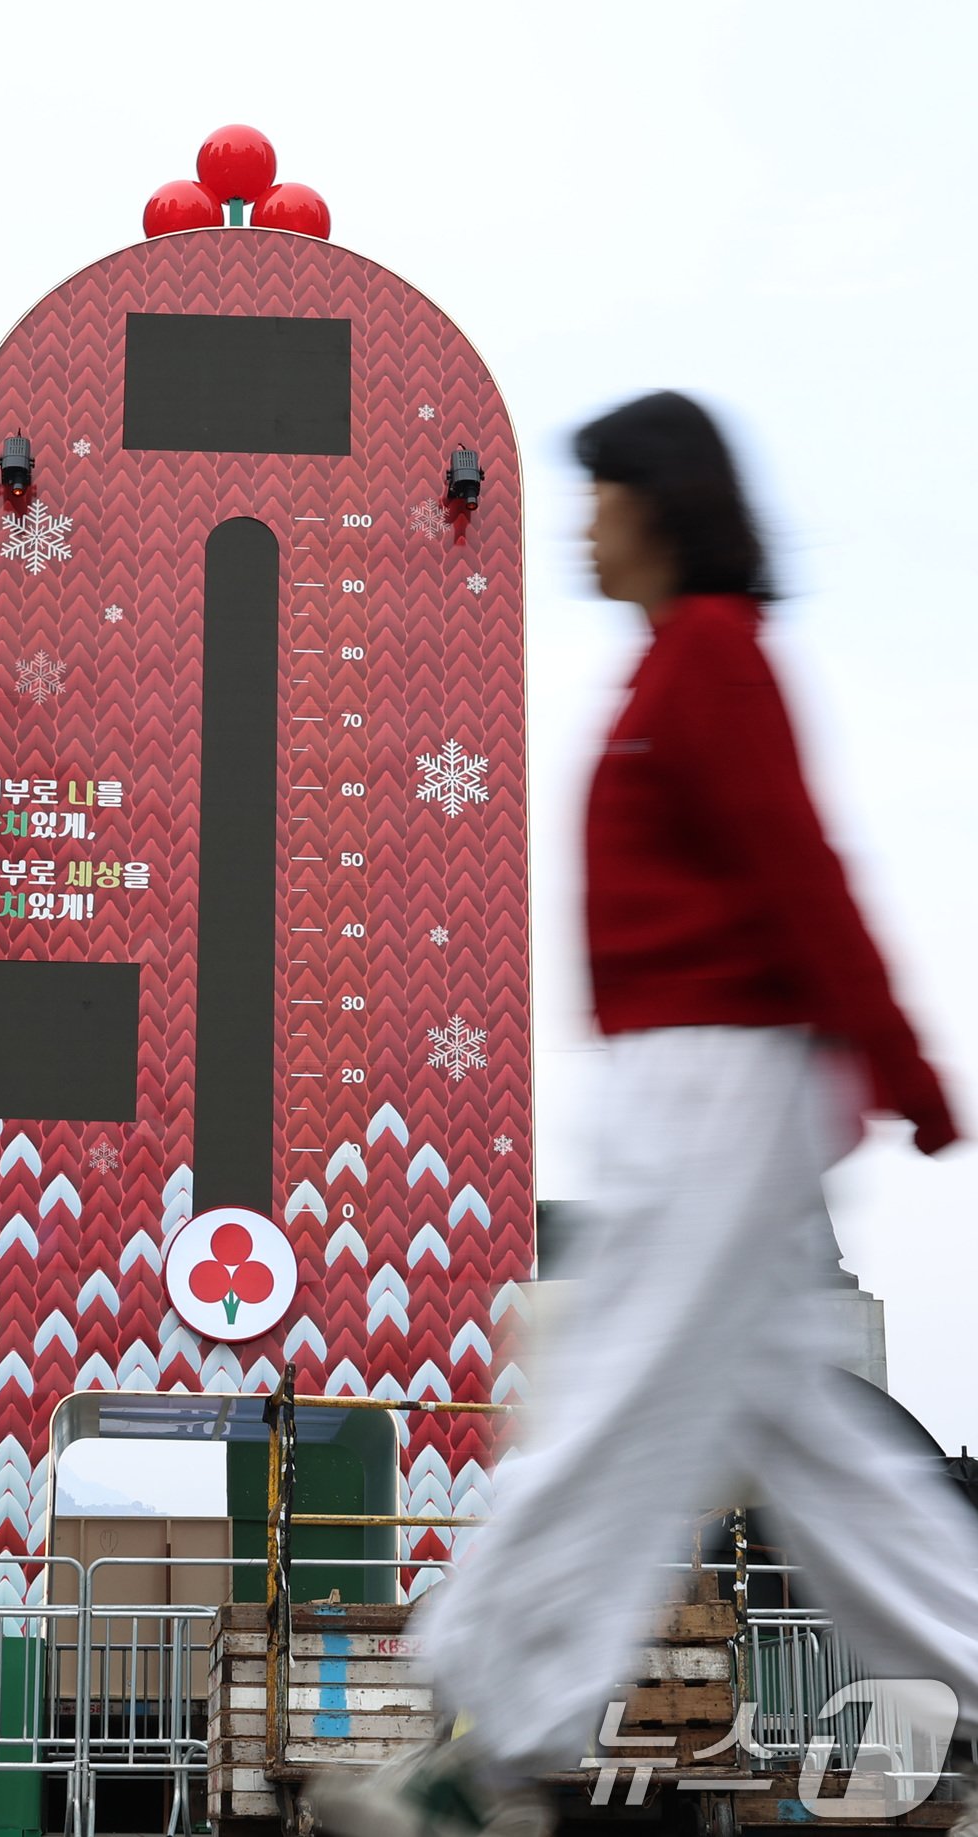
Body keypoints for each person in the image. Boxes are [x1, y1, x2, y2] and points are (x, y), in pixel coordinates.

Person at [311, 391, 973, 1837]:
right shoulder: (681, 668)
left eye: (601, 494)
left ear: (660, 504)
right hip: (701, 1084)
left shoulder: (713, 663)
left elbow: (805, 871)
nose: (582, 523)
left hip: (720, 1083)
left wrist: (910, 1071)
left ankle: (473, 1731)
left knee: (614, 1397)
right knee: (804, 1436)